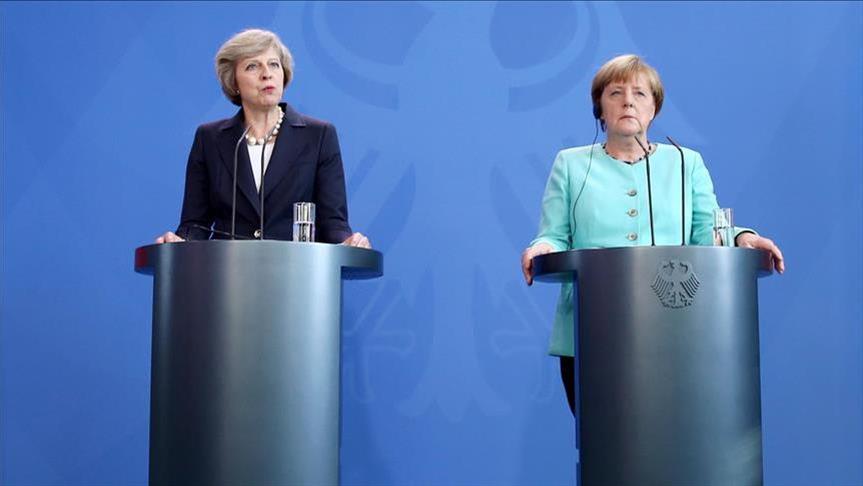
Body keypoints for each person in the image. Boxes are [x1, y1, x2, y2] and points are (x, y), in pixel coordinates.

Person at [519, 54, 784, 415]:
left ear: (654, 109)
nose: (628, 102)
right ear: (600, 108)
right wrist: (541, 248)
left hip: (674, 332)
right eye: (615, 93)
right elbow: (553, 236)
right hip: (590, 331)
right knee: (603, 439)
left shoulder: (685, 162)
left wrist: (743, 238)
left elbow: (708, 232)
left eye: (640, 93)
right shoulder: (571, 164)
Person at [156, 29, 370, 248]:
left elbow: (333, 222)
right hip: (229, 267)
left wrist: (348, 242)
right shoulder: (209, 139)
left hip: (296, 267)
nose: (267, 74)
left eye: (274, 64)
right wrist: (179, 241)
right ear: (234, 82)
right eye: (252, 66)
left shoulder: (319, 135)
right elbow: (195, 224)